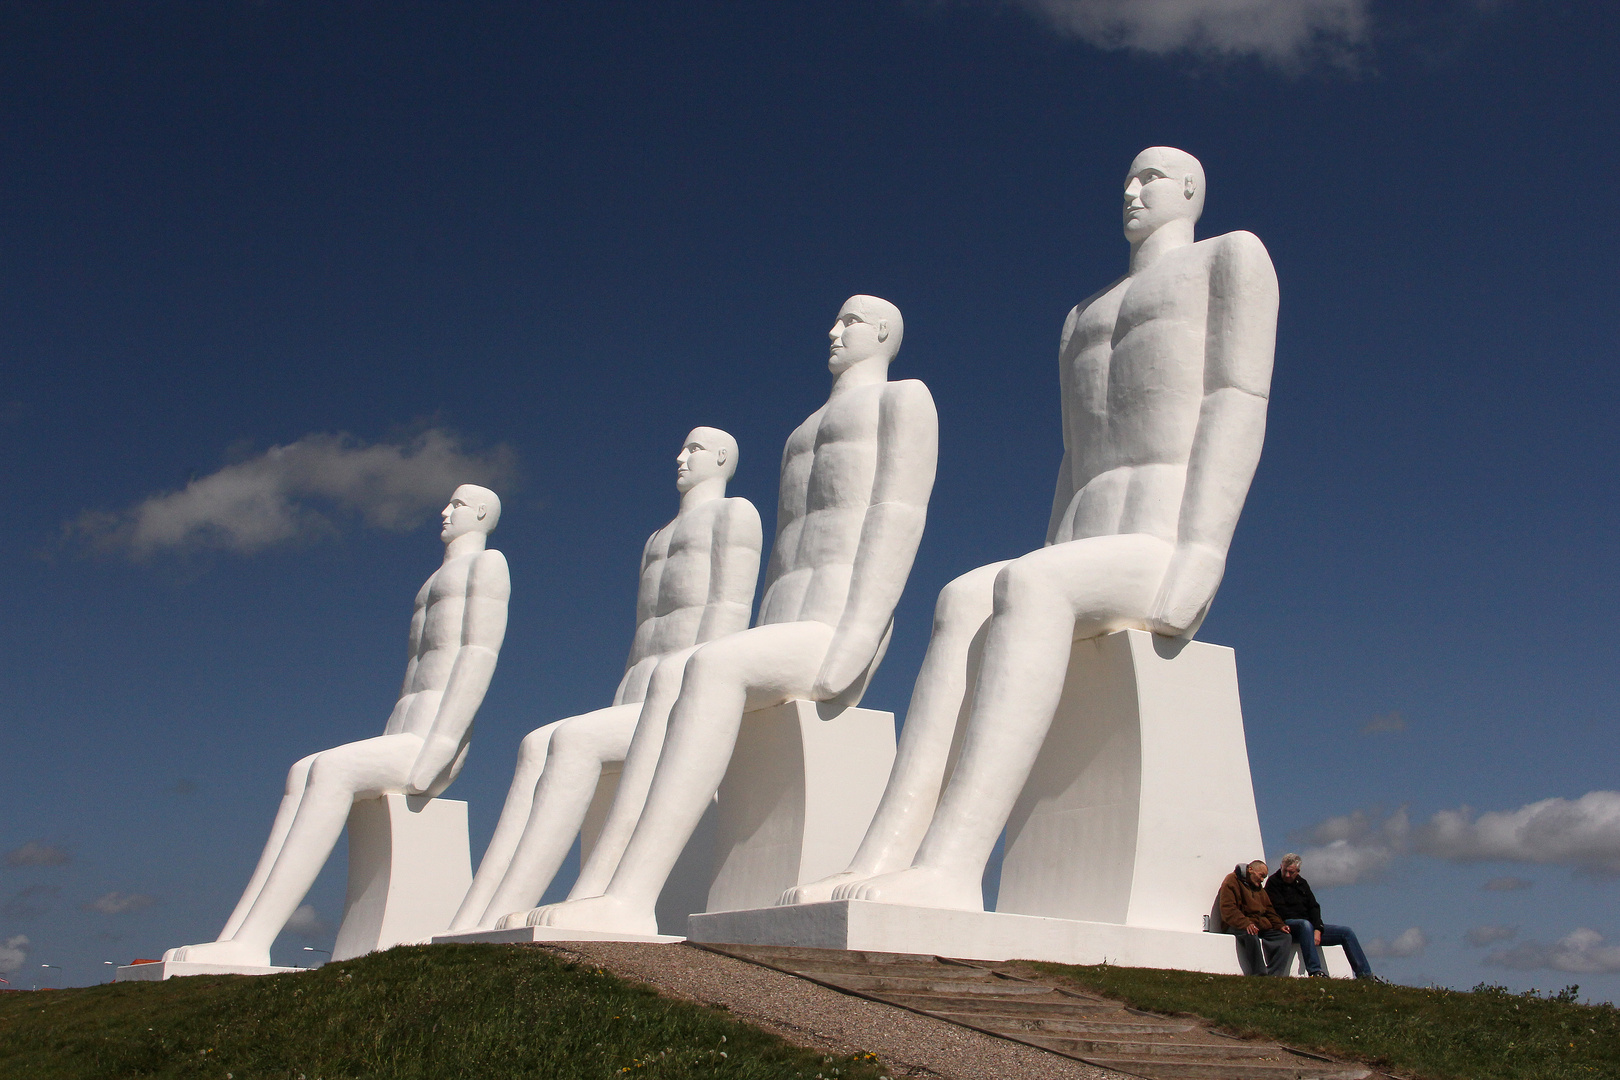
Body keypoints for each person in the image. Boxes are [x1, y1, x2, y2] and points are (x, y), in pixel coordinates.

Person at [784, 147, 1278, 909]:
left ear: (1190, 190)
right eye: (1127, 177)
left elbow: (1236, 402)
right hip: (1081, 541)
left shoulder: (1229, 259)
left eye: (1151, 177)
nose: (1131, 188)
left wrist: (1203, 551)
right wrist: (1045, 556)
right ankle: (884, 855)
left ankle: (953, 866)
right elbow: (1072, 454)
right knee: (961, 597)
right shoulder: (1082, 315)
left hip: (1158, 538)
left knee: (1030, 584)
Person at [500, 295, 938, 936]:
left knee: (704, 667)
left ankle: (632, 894)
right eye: (835, 319)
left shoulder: (903, 401)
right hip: (782, 626)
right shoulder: (799, 435)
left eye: (849, 321)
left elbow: (898, 513)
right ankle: (603, 889)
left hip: (835, 627)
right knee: (675, 678)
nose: (834, 331)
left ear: (883, 333)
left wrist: (860, 634)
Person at [165, 485, 510, 967]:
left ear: (481, 513)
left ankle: (254, 939)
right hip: (403, 732)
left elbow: (479, 654)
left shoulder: (487, 566)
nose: (445, 511)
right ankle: (237, 936)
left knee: (329, 770)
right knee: (302, 770)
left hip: (434, 740)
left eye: (456, 504)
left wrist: (443, 743)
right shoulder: (433, 581)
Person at [448, 430, 761, 931]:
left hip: (681, 695)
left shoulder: (734, 514)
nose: (680, 457)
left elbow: (728, 610)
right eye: (680, 448)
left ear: (723, 459)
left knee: (572, 740)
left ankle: (587, 895)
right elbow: (642, 636)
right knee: (536, 743)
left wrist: (684, 697)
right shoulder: (656, 540)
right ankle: (478, 915)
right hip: (635, 698)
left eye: (694, 450)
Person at [1266, 852, 1374, 979]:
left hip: (1309, 927)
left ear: (1298, 871)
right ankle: (1315, 971)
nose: (1287, 875)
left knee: (1346, 932)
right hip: (1289, 927)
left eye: (1291, 872)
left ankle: (1365, 975)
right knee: (1304, 924)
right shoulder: (1273, 882)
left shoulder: (1302, 883)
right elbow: (1279, 910)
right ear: (1281, 866)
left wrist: (1318, 928)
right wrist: (1309, 927)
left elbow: (1314, 907)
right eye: (1285, 871)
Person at [1218, 860, 1295, 976]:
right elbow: (1228, 909)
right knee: (1250, 933)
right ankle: (1259, 973)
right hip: (1237, 925)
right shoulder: (1231, 881)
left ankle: (1275, 974)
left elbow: (1269, 910)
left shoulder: (1259, 888)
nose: (1262, 880)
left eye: (1264, 877)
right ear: (1250, 870)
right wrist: (1246, 923)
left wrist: (1280, 925)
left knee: (1284, 937)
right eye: (1261, 875)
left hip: (1259, 925)